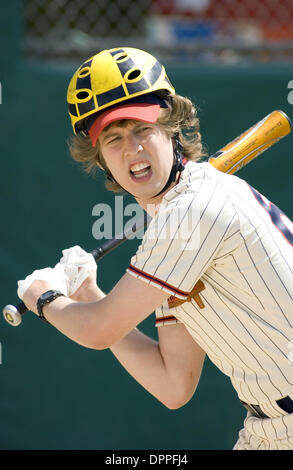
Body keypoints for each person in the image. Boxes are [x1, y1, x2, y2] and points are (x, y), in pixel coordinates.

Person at [18, 47, 293, 450]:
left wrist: (43, 297)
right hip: (271, 426)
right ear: (101, 160)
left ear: (172, 128)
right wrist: (89, 295)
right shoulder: (169, 235)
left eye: (142, 129)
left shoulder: (191, 211)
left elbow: (97, 329)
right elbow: (173, 384)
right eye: (113, 138)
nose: (132, 149)